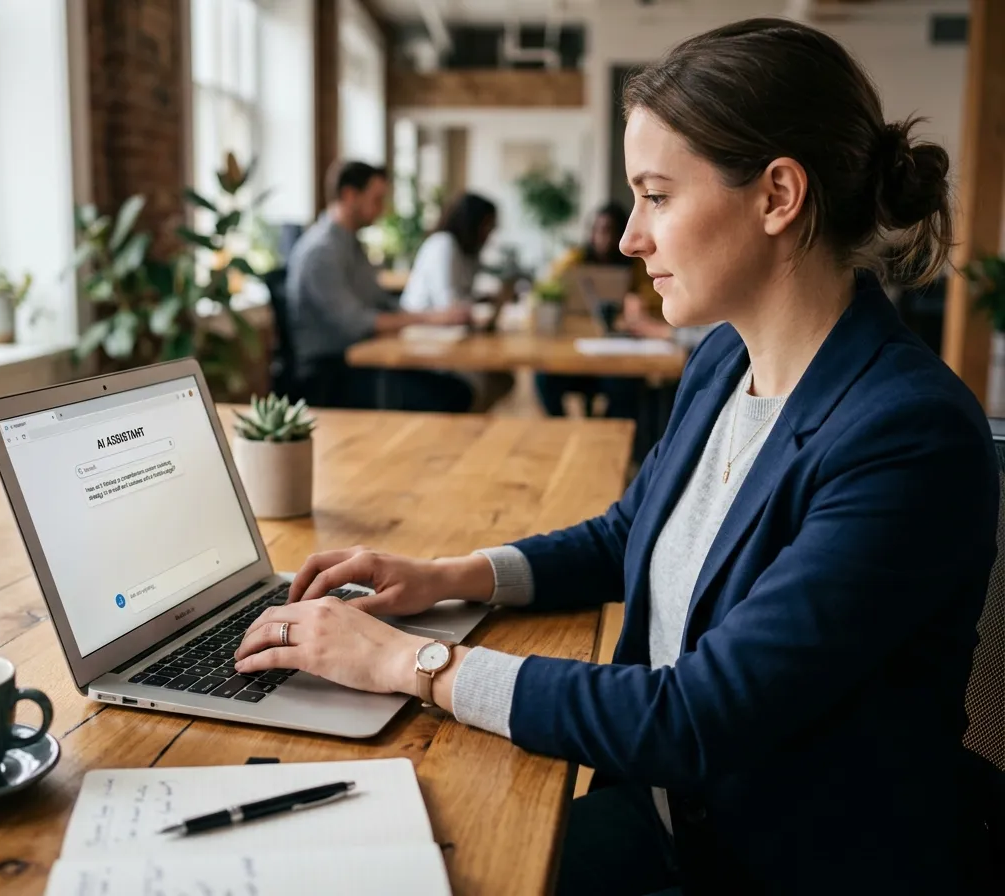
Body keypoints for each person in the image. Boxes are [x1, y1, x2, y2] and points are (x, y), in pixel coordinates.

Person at [235, 18, 998, 894]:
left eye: (657, 196)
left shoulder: (906, 436)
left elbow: (698, 716)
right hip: (668, 815)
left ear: (778, 196)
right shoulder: (726, 358)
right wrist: (448, 577)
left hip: (772, 865)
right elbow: (627, 531)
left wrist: (409, 663)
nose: (632, 236)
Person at [286, 161, 473, 412]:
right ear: (349, 195)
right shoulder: (321, 252)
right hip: (331, 374)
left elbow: (379, 302)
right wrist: (431, 318)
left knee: (455, 388)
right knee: (450, 396)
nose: (382, 209)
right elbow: (357, 323)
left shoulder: (351, 244)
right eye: (376, 199)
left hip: (361, 361)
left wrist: (431, 318)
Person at [536, 203, 712, 419]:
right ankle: (562, 426)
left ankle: (610, 431)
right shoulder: (575, 260)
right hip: (578, 344)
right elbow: (550, 287)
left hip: (618, 349)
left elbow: (656, 300)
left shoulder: (637, 266)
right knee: (544, 377)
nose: (604, 238)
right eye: (598, 230)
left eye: (610, 231)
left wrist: (637, 303)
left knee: (626, 387)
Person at [401, 192, 514, 411]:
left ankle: (472, 422)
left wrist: (484, 300)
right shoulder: (443, 245)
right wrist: (477, 307)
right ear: (473, 222)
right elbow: (449, 307)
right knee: (479, 383)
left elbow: (462, 299)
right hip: (423, 338)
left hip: (449, 338)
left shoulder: (467, 251)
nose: (490, 233)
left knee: (501, 379)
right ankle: (466, 422)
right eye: (488, 225)